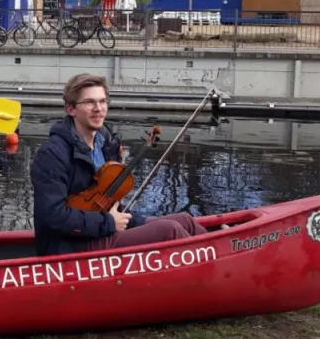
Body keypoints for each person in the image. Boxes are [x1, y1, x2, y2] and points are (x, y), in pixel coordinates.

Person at [30, 73, 208, 257]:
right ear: (71, 109)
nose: (98, 108)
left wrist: (127, 220)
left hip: (102, 228)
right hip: (70, 245)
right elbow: (53, 216)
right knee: (169, 230)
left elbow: (108, 203)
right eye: (89, 102)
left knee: (185, 220)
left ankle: (217, 252)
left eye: (102, 101)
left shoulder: (106, 144)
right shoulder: (52, 154)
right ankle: (210, 266)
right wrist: (109, 222)